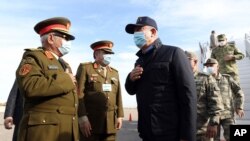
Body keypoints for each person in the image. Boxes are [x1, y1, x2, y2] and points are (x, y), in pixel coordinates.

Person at [124, 16, 197, 141]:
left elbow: (188, 96)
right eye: (134, 32)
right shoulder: (139, 61)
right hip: (146, 131)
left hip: (169, 132)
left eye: (139, 30)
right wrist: (130, 78)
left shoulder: (174, 53)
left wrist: (187, 135)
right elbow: (131, 90)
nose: (136, 35)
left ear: (153, 32)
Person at [15, 17, 79, 141]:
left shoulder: (64, 63)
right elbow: (30, 87)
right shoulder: (33, 57)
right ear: (50, 38)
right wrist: (65, 79)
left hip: (65, 129)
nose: (68, 42)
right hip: (45, 131)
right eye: (65, 38)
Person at [76, 40, 124, 141]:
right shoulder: (86, 68)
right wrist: (82, 117)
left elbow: (118, 95)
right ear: (96, 53)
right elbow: (78, 93)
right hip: (91, 122)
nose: (109, 55)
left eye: (110, 53)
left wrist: (120, 115)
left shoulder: (114, 72)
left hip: (111, 122)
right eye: (106, 53)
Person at [185, 51, 223, 141]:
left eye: (187, 60)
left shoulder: (205, 78)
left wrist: (213, 123)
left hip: (203, 131)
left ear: (195, 62)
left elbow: (216, 102)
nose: (183, 63)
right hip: (183, 131)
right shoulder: (178, 79)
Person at [204, 58, 244, 141]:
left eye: (211, 65)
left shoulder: (227, 78)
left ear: (218, 66)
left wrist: (239, 106)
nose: (209, 68)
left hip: (228, 114)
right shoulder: (204, 81)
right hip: (213, 117)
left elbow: (239, 92)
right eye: (207, 66)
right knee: (214, 139)